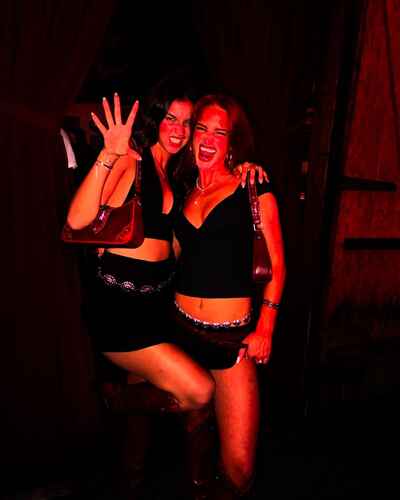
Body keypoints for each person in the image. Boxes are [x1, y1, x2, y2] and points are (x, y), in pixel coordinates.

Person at [65, 75, 268, 498]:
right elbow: (76, 221)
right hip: (120, 312)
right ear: (155, 119)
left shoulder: (176, 175)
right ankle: (114, 399)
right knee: (199, 390)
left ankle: (142, 477)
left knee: (143, 429)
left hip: (156, 309)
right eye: (170, 119)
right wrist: (108, 154)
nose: (179, 129)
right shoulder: (131, 161)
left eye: (187, 122)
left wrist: (242, 167)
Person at [172, 94, 286, 498]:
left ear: (232, 142)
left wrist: (266, 326)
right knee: (195, 443)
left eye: (219, 133)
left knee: (239, 468)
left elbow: (278, 265)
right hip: (182, 333)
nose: (208, 139)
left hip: (231, 341)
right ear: (191, 137)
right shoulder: (182, 189)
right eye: (201, 129)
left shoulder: (252, 185)